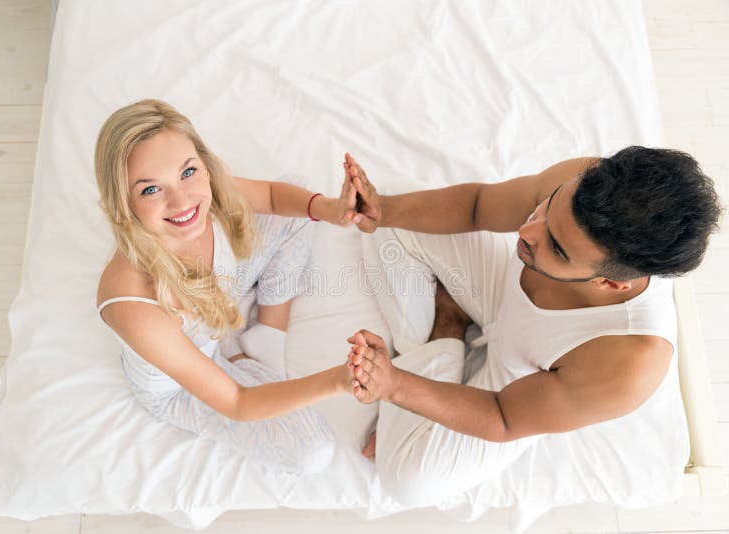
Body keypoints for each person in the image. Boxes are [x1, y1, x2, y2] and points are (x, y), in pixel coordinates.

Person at [342, 148, 722, 505]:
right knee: (389, 216)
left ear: (609, 283)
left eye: (556, 247)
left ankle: (447, 330)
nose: (526, 232)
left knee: (408, 482)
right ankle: (443, 330)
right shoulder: (582, 180)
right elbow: (478, 207)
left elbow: (502, 416)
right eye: (548, 207)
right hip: (498, 293)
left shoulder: (629, 362)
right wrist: (383, 209)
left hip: (513, 378)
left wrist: (395, 387)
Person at [93, 99, 358, 474]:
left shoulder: (204, 188)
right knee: (312, 453)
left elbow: (269, 196)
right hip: (183, 383)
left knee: (301, 199)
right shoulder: (132, 302)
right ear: (124, 202)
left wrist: (330, 209)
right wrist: (337, 379)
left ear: (203, 163)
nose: (182, 201)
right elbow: (237, 401)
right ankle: (241, 354)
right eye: (151, 190)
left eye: (188, 172)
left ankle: (267, 337)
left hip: (219, 293)